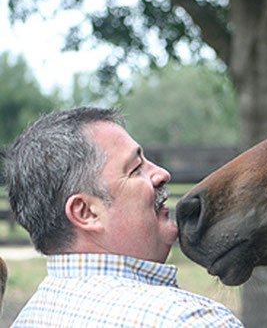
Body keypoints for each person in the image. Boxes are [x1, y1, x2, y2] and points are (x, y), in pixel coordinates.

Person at [5, 107, 243, 327]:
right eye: (136, 168)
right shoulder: (188, 320)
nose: (162, 174)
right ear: (86, 212)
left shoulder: (28, 319)